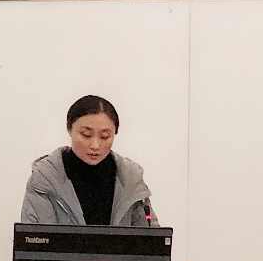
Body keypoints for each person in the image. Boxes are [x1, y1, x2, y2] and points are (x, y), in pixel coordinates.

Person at [20, 95, 159, 227]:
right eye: (86, 135)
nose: (95, 145)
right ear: (69, 129)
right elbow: (34, 239)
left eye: (104, 137)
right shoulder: (45, 178)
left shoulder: (131, 178)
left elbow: (152, 239)